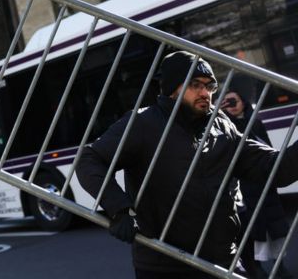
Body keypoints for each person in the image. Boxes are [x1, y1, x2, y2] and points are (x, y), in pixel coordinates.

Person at [76, 51, 298, 278]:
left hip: (223, 261)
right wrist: (119, 208)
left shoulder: (221, 125)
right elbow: (89, 159)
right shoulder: (143, 123)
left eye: (210, 86)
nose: (205, 93)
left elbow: (272, 168)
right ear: (173, 89)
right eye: (195, 84)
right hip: (165, 264)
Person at [221, 87, 292, 279]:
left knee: (275, 228)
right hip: (243, 185)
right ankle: (257, 268)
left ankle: (280, 267)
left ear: (243, 101)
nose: (231, 106)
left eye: (234, 100)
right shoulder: (225, 127)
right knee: (253, 229)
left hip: (263, 182)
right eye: (227, 102)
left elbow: (269, 150)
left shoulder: (256, 123)